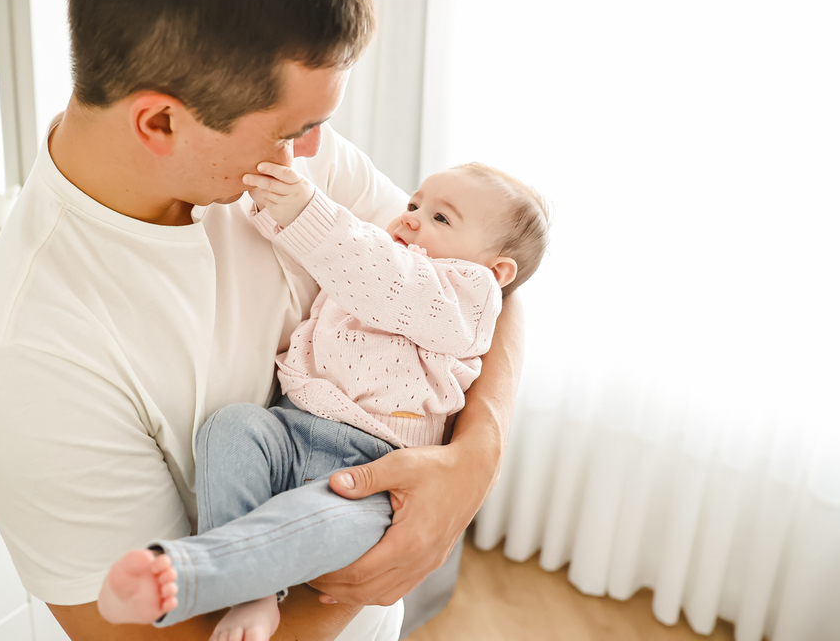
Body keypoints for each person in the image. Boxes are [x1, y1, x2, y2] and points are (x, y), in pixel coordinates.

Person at [0, 0, 525, 641]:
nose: (315, 149)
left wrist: (475, 460)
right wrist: (405, 537)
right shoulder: (28, 352)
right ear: (160, 123)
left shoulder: (284, 166)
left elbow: (481, 288)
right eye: (294, 130)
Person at [96, 161, 549, 641]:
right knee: (231, 428)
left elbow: (381, 275)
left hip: (374, 469)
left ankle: (193, 573)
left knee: (325, 522)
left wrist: (305, 211)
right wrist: (275, 208)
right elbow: (333, 258)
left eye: (441, 218)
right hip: (291, 428)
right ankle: (254, 594)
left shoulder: (467, 298)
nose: (411, 217)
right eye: (414, 204)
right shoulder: (382, 253)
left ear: (496, 271)